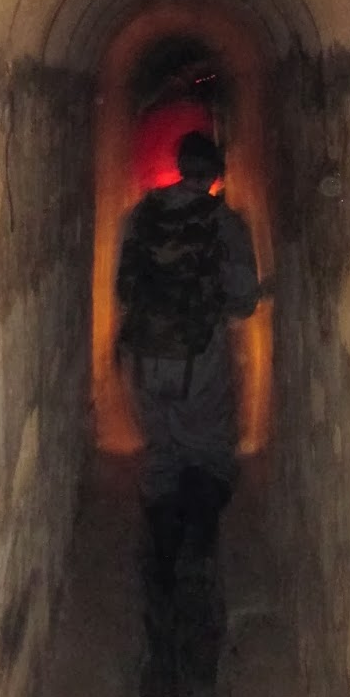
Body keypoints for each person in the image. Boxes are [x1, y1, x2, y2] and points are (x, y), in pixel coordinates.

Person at [116, 131, 264, 591]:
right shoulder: (225, 223)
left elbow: (124, 288)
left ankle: (160, 561)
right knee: (206, 450)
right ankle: (197, 560)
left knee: (161, 452)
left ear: (181, 166)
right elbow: (243, 301)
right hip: (199, 360)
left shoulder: (141, 214)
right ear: (216, 173)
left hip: (143, 355)